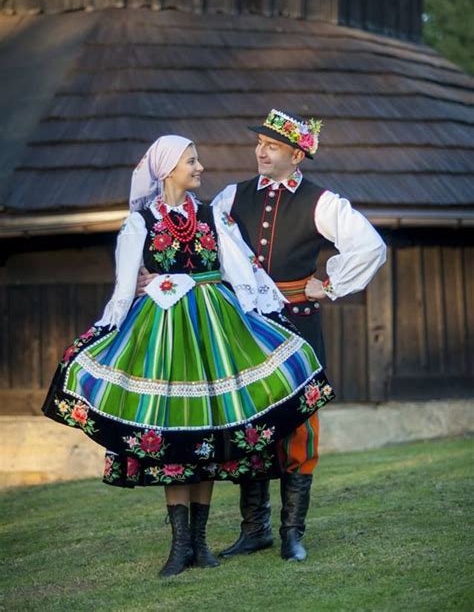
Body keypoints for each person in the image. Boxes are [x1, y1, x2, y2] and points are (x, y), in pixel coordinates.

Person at [42, 134, 335, 578]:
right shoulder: (139, 223)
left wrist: (270, 313)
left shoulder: (211, 215)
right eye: (191, 161)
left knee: (206, 435)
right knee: (175, 433)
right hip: (163, 336)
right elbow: (124, 289)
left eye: (197, 160)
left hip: (212, 332)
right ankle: (181, 545)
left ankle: (200, 543)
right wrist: (101, 331)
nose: (200, 167)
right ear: (167, 170)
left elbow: (241, 269)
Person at [137, 110, 387, 563]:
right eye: (259, 143)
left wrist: (328, 284)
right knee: (249, 422)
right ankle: (256, 529)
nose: (260, 151)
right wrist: (149, 271)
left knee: (298, 426)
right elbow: (194, 236)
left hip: (298, 324)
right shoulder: (233, 196)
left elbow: (370, 245)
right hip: (247, 327)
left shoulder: (321, 202)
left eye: (271, 146)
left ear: (296, 154)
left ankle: (292, 533)